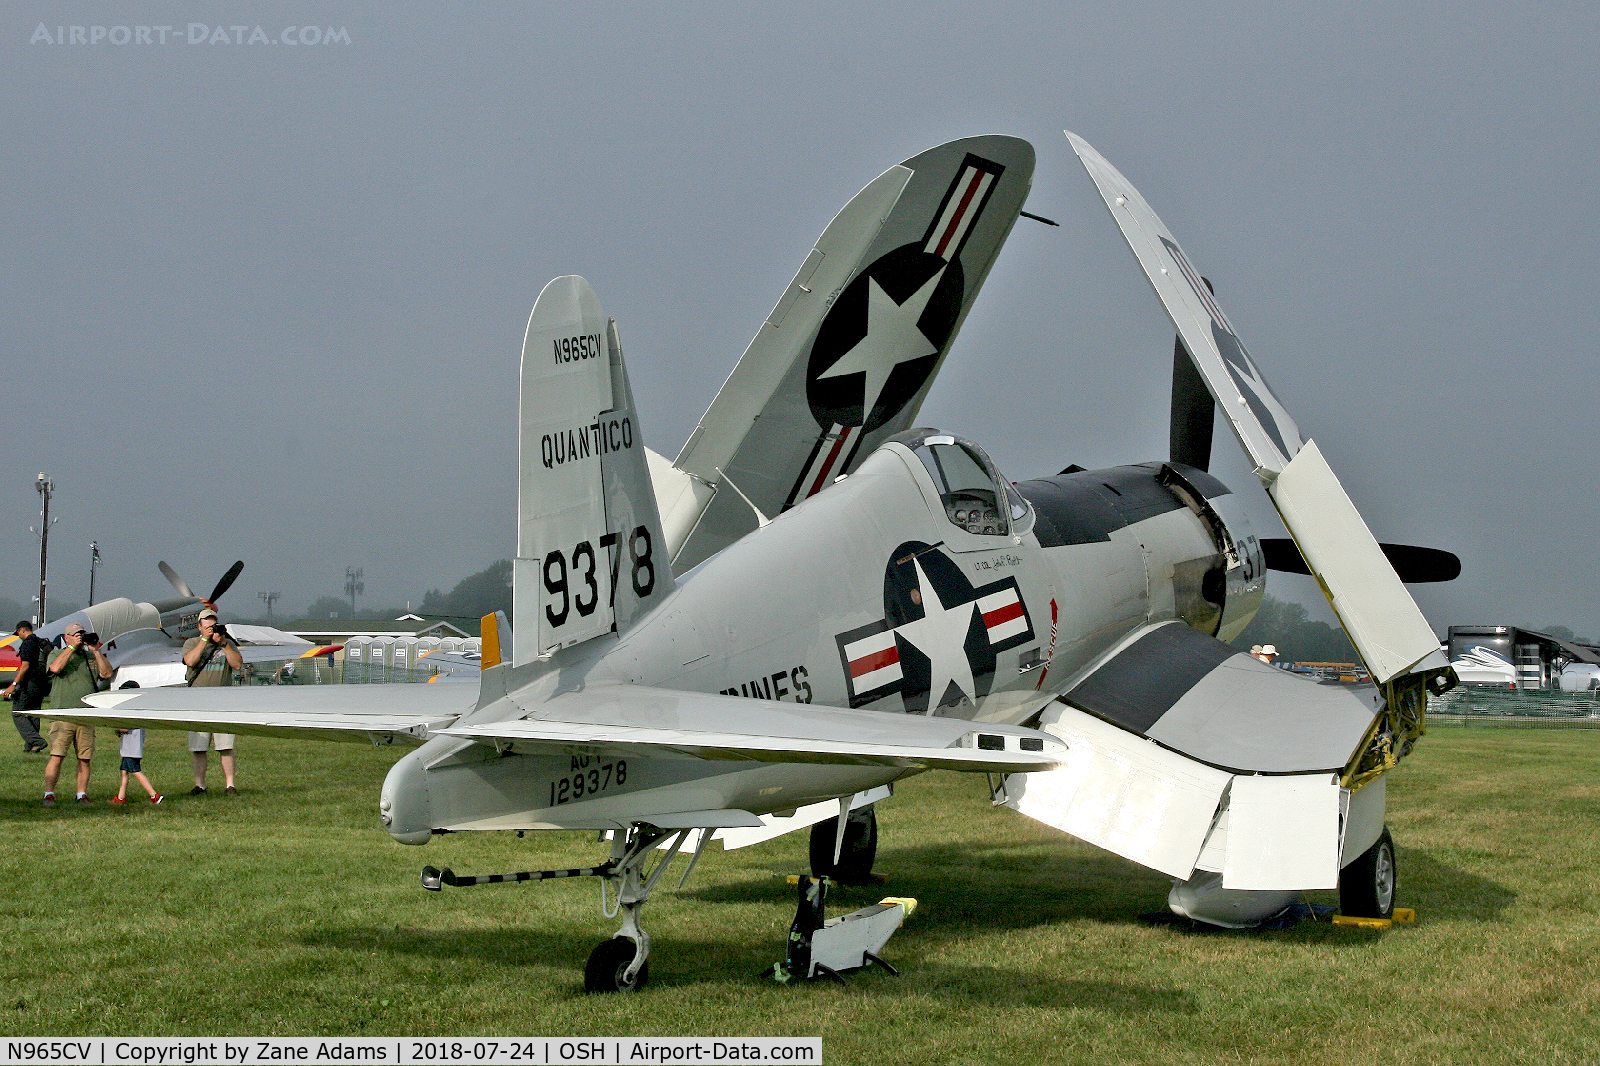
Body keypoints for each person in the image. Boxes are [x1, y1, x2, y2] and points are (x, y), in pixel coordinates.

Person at [42, 621, 112, 807]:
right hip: (63, 714)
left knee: (84, 757)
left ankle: (81, 794)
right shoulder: (57, 653)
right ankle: (49, 793)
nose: (80, 636)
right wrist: (71, 648)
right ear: (67, 637)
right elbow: (55, 669)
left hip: (85, 715)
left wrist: (96, 650)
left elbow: (106, 674)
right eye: (76, 634)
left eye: (82, 633)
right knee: (57, 755)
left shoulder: (89, 657)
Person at [182, 608, 242, 796]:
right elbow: (190, 661)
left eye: (213, 624)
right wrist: (204, 641)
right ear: (199, 627)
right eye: (207, 625)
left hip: (223, 702)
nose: (211, 628)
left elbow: (237, 664)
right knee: (198, 747)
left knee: (225, 746)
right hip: (197, 702)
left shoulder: (227, 643)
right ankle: (200, 785)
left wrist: (223, 643)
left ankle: (229, 785)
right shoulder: (191, 643)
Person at [4, 621, 49, 753]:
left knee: (18, 712)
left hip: (29, 683)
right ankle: (32, 746)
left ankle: (37, 741)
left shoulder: (27, 643)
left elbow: (25, 666)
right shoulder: (40, 642)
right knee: (33, 713)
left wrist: (13, 684)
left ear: (22, 630)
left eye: (18, 633)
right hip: (42, 684)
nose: (19, 636)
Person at [111, 727, 163, 805]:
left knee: (136, 771)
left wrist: (117, 730)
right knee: (124, 771)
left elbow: (125, 729)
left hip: (131, 749)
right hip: (129, 749)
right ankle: (120, 797)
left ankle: (154, 795)